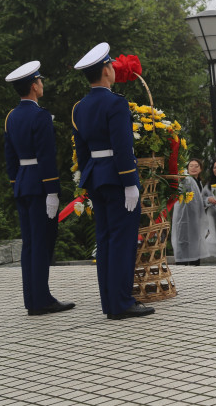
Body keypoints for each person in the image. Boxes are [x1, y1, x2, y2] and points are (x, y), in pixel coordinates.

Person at [72, 43, 153, 319]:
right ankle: (121, 303)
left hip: (96, 177)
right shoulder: (115, 102)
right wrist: (130, 182)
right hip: (117, 178)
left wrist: (88, 180)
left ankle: (109, 302)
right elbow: (122, 145)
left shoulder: (80, 107)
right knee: (122, 240)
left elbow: (82, 151)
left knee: (105, 240)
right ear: (107, 70)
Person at [4, 61, 74, 316]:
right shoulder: (40, 115)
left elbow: (10, 157)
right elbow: (46, 157)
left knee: (30, 244)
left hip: (23, 183)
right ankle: (42, 300)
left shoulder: (12, 116)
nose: (42, 84)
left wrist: (16, 184)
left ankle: (33, 299)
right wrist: (53, 191)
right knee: (42, 243)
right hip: (40, 186)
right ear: (34, 86)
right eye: (40, 81)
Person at [171, 158, 207, 266]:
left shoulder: (199, 182)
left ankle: (194, 270)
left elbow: (199, 201)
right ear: (187, 168)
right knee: (183, 243)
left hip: (195, 220)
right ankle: (182, 269)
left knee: (195, 244)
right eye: (191, 166)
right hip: (184, 219)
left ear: (200, 169)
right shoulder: (187, 180)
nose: (194, 168)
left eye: (196, 166)